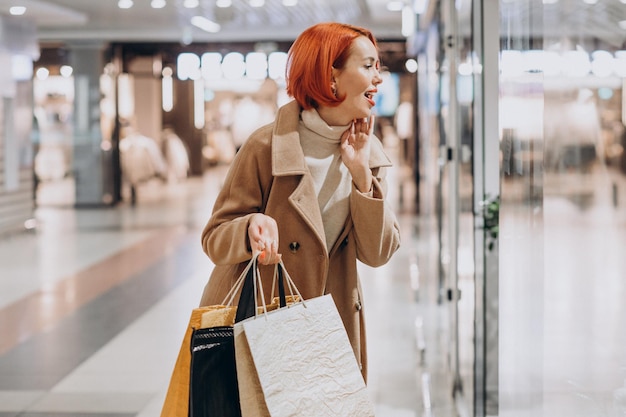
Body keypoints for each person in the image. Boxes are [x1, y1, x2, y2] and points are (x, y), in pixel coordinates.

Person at [199, 22, 401, 381]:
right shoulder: (266, 147)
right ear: (331, 77)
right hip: (263, 324)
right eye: (368, 66)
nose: (378, 78)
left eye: (378, 67)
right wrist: (249, 228)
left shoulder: (369, 154)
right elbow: (215, 237)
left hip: (332, 330)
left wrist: (360, 177)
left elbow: (378, 253)